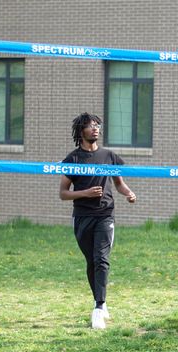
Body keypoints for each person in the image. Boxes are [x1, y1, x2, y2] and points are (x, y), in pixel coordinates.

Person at [59, 112, 136, 330]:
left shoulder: (109, 156)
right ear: (80, 131)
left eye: (97, 126)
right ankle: (99, 301)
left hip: (105, 215)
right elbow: (63, 194)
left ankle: (99, 308)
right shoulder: (72, 159)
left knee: (102, 259)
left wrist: (129, 193)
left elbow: (119, 184)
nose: (95, 129)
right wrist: (85, 193)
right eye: (90, 126)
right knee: (92, 262)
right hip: (82, 217)